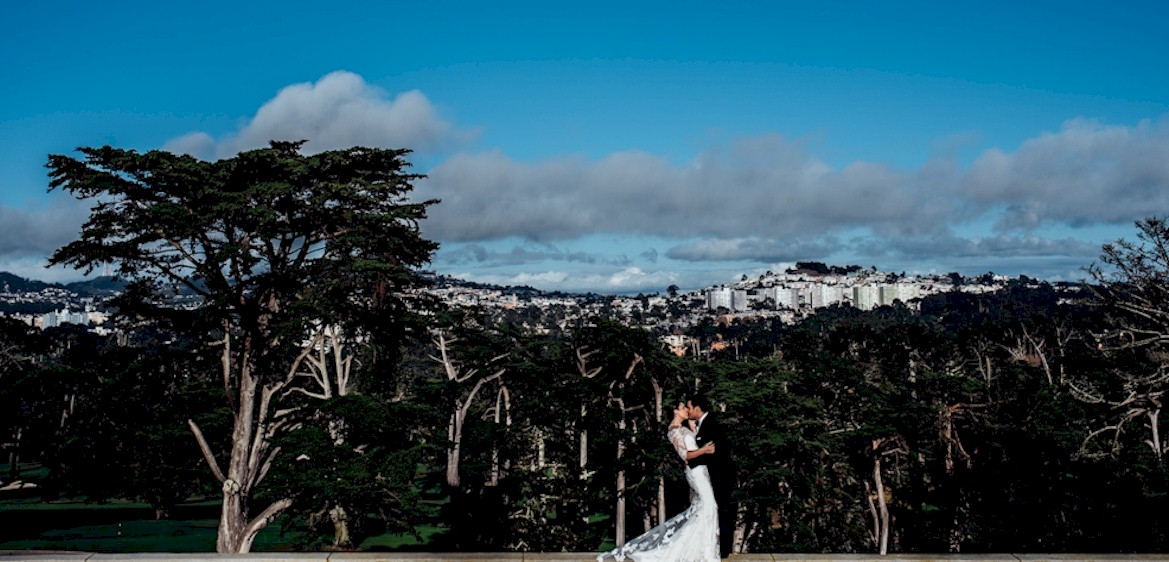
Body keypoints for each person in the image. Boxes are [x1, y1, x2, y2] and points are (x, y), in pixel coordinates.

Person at [597, 402, 720, 562]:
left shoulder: (684, 428)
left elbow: (695, 443)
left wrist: (693, 429)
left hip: (702, 471)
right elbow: (685, 455)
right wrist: (704, 450)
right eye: (683, 408)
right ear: (676, 411)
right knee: (710, 506)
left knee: (705, 508)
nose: (686, 410)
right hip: (695, 473)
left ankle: (702, 549)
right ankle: (706, 552)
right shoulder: (673, 430)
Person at [688, 394, 737, 558]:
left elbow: (715, 452)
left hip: (721, 476)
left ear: (697, 408)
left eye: (689, 407)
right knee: (715, 510)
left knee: (721, 510)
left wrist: (691, 461)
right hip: (713, 475)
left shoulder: (711, 424)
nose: (688, 411)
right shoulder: (704, 424)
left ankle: (723, 550)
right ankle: (717, 548)